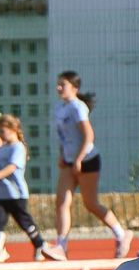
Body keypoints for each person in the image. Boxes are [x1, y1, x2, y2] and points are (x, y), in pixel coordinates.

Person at [51, 71, 131, 258]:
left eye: (63, 84)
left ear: (74, 88)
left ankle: (122, 234)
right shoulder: (59, 108)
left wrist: (78, 159)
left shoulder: (78, 108)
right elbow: (64, 137)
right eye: (58, 84)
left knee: (91, 203)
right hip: (69, 162)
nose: (59, 88)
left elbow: (88, 136)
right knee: (61, 203)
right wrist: (63, 155)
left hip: (87, 160)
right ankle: (61, 246)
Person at [0, 116, 65, 262]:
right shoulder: (2, 148)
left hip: (15, 193)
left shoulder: (18, 147)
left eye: (3, 131)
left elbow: (12, 167)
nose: (1, 135)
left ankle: (40, 245)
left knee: (24, 222)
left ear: (13, 129)